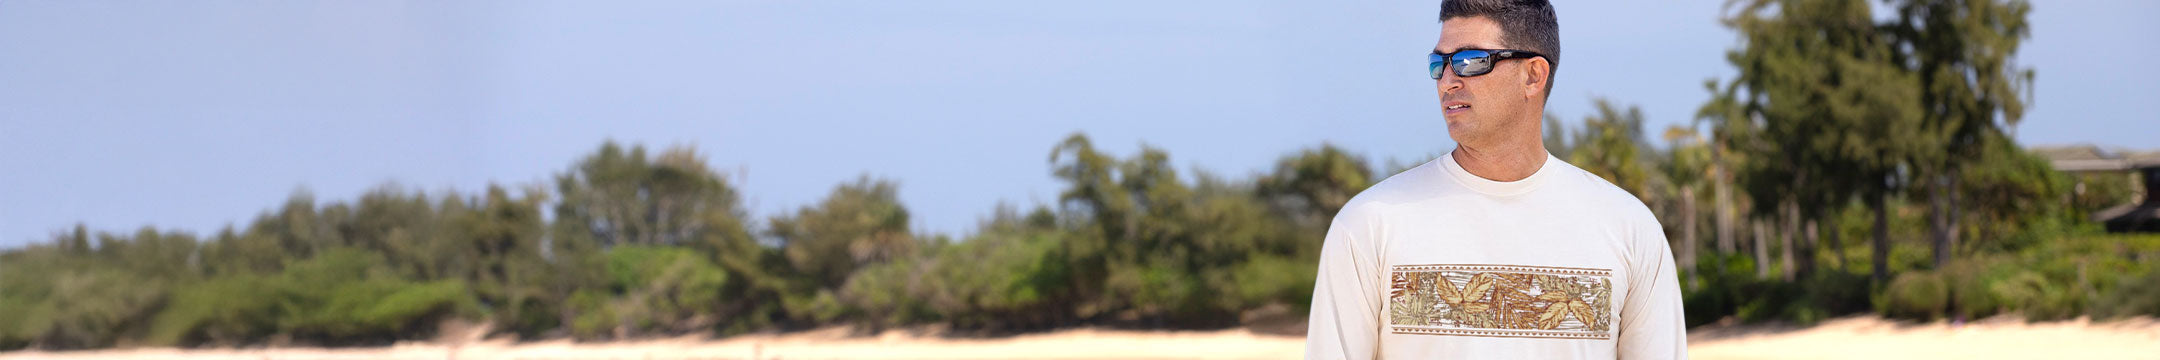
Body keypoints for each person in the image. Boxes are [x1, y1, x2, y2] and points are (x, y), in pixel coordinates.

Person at [1302, 0, 1686, 358]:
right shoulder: (1370, 223)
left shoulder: (1628, 228)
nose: (1447, 81)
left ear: (1533, 75)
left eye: (1469, 61)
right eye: (1439, 63)